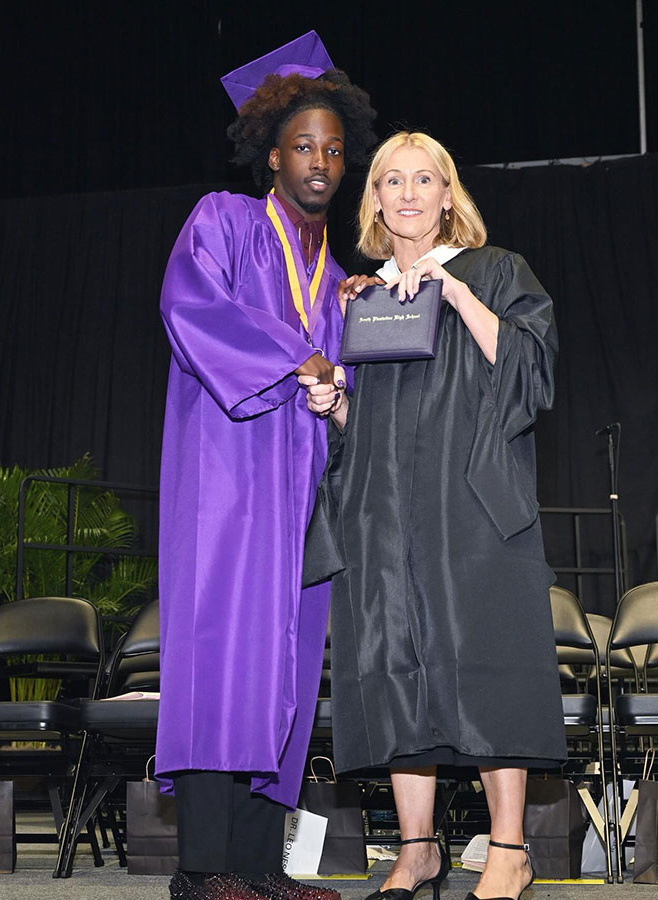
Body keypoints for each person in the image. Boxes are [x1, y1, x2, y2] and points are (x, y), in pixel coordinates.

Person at [302, 132, 567, 900]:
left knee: (484, 664)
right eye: (392, 180)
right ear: (375, 198)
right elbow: (372, 428)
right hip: (386, 515)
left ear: (449, 195)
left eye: (425, 180)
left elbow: (531, 372)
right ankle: (418, 849)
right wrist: (338, 404)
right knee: (394, 667)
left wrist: (453, 293)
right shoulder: (365, 295)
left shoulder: (494, 270)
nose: (409, 193)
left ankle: (509, 849)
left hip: (471, 511)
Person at [155, 32, 377, 900]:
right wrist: (299, 358)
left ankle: (256, 868)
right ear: (271, 155)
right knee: (223, 658)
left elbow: (352, 377)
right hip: (227, 482)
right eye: (303, 146)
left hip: (301, 496)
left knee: (282, 668)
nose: (320, 160)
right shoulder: (225, 219)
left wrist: (350, 363)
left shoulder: (338, 272)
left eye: (332, 148)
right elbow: (189, 304)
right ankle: (202, 869)